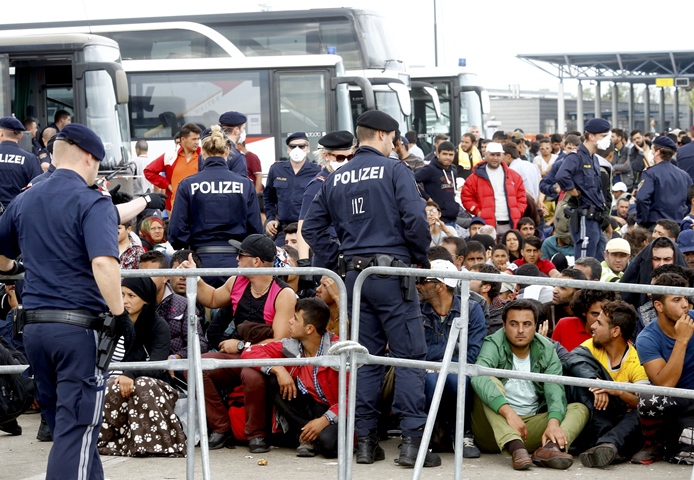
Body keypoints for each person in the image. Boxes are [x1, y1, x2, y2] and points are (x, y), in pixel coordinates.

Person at [301, 110, 440, 468]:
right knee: (408, 358)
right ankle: (411, 445)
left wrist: (339, 261)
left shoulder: (335, 177)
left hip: (355, 280)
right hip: (393, 275)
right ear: (381, 134)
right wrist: (417, 256)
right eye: (393, 138)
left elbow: (312, 229)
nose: (395, 144)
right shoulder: (396, 170)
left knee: (363, 360)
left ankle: (365, 444)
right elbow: (415, 220)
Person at [0, 123, 131, 478]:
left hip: (36, 329)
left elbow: (1, 257)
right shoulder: (93, 202)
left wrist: (14, 267)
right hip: (77, 331)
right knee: (78, 426)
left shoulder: (23, 199)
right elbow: (104, 261)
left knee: (67, 427)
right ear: (90, 158)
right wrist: (120, 315)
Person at [178, 234, 296, 452]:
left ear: (257, 261)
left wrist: (242, 347)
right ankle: (221, 428)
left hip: (266, 358)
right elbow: (212, 298)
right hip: (241, 355)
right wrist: (194, 275)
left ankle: (256, 435)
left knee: (251, 375)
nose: (236, 259)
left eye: (240, 255)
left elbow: (281, 342)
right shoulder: (236, 281)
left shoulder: (284, 293)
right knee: (194, 366)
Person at [471, 300, 590, 470]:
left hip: (527, 427)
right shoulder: (494, 343)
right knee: (488, 380)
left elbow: (554, 388)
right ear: (504, 326)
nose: (520, 330)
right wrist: (508, 412)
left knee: (579, 408)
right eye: (514, 324)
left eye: (527, 324)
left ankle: (550, 449)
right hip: (492, 429)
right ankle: (515, 448)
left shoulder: (547, 348)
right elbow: (478, 377)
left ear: (535, 326)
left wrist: (554, 422)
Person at [242, 298, 342, 458]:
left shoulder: (338, 351)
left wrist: (324, 420)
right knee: (273, 379)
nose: (290, 321)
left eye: (295, 319)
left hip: (333, 411)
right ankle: (305, 437)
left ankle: (308, 437)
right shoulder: (292, 344)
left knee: (328, 446)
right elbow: (249, 353)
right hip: (304, 407)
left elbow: (353, 399)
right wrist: (278, 369)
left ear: (309, 329)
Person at [98, 277, 185, 457]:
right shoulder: (110, 323)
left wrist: (130, 374)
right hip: (114, 382)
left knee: (142, 385)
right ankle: (112, 443)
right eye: (121, 295)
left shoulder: (158, 325)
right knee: (105, 387)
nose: (125, 300)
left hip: (154, 385)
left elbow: (157, 365)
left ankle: (154, 445)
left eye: (131, 295)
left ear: (145, 299)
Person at [168, 125, 262, 287]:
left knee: (196, 310)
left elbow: (176, 231)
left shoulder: (188, 184)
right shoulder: (245, 184)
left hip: (199, 262)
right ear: (227, 152)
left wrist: (188, 246)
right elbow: (255, 230)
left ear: (203, 153)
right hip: (236, 263)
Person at [563, 300, 647, 468]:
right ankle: (609, 447)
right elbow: (573, 360)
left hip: (620, 420)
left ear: (615, 331)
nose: (593, 326)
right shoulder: (592, 346)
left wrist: (616, 391)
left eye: (599, 323)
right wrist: (597, 385)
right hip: (595, 418)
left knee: (639, 415)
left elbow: (641, 403)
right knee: (580, 384)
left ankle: (607, 445)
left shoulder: (636, 361)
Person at [418, 260, 487, 458]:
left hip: (458, 371)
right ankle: (427, 434)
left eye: (424, 281)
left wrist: (441, 359)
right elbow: (415, 351)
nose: (419, 284)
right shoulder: (417, 308)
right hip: (427, 370)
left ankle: (462, 433)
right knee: (430, 379)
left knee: (459, 379)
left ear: (440, 286)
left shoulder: (472, 310)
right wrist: (451, 349)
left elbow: (472, 353)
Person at [632, 273, 694, 464]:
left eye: (685, 298)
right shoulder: (647, 338)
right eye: (676, 300)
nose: (685, 304)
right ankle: (654, 444)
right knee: (648, 397)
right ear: (659, 306)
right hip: (675, 402)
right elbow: (665, 384)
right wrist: (682, 340)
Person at [296, 130, 355, 268]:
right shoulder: (318, 185)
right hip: (329, 255)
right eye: (340, 157)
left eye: (350, 157)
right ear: (326, 156)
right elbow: (303, 226)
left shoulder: (351, 180)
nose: (346, 161)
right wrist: (304, 262)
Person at [556, 118, 612, 261]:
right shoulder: (576, 156)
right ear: (591, 136)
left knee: (598, 262)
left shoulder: (594, 158)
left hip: (596, 218)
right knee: (584, 263)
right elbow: (562, 175)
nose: (607, 140)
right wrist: (573, 191)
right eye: (603, 136)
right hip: (585, 216)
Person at [138, 251, 208, 360]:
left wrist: (177, 357)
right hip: (139, 367)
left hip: (174, 370)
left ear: (166, 276)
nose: (145, 279)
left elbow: (200, 344)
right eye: (142, 274)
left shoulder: (184, 305)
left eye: (152, 274)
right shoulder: (130, 303)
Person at [265, 132, 321, 245]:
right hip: (283, 230)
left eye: (301, 146)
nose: (297, 149)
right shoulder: (276, 169)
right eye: (293, 146)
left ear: (308, 148)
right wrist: (270, 218)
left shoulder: (318, 171)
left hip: (308, 229)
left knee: (309, 262)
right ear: (288, 149)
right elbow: (268, 197)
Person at [462, 142, 527, 234]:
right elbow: (466, 197)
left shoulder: (514, 176)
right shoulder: (475, 177)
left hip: (511, 223)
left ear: (502, 155)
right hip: (487, 224)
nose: (495, 158)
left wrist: (517, 211)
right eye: (492, 155)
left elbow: (522, 198)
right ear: (486, 155)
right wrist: (478, 211)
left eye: (498, 155)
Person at [144, 122, 202, 214]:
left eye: (198, 139)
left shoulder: (204, 156)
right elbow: (148, 171)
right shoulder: (170, 156)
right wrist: (167, 184)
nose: (197, 142)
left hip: (199, 206)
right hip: (176, 207)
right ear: (183, 139)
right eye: (194, 139)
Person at [635, 136, 692, 229]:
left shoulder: (650, 173)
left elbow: (642, 198)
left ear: (658, 151)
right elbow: (690, 202)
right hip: (677, 225)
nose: (651, 152)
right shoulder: (684, 175)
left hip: (656, 225)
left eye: (652, 149)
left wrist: (642, 220)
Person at [551, 288, 618, 352]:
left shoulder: (616, 332)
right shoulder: (565, 325)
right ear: (584, 312)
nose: (599, 319)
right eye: (595, 314)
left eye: (605, 314)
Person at [0, 116, 42, 212]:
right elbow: (38, 187)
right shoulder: (30, 158)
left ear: (1, 134)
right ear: (20, 136)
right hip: (18, 213)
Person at [415, 140, 459, 228]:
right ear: (438, 154)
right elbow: (411, 180)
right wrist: (427, 197)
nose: (448, 157)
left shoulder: (453, 171)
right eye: (445, 154)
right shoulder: (430, 169)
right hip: (437, 219)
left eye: (451, 155)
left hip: (453, 218)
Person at [218, 111, 250, 177]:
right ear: (236, 130)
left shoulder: (208, 151)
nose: (243, 132)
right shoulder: (237, 156)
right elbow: (241, 183)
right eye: (243, 128)